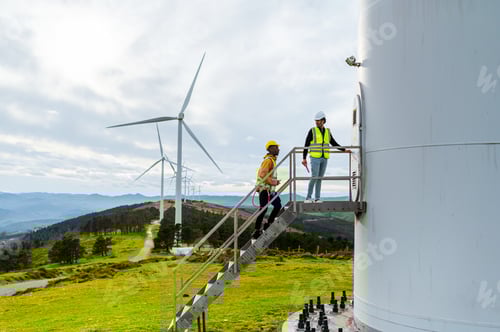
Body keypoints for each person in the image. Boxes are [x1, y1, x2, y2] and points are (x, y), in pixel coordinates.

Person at [302, 111, 350, 203]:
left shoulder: (327, 131)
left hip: (324, 158)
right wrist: (304, 158)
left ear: (323, 121)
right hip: (315, 157)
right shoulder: (312, 131)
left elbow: (333, 143)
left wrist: (344, 150)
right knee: (314, 177)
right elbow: (306, 145)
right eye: (315, 121)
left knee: (320, 178)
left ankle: (317, 198)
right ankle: (308, 197)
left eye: (318, 120)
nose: (316, 122)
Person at [253, 140, 282, 239]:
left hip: (270, 190)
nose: (278, 149)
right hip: (265, 189)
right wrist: (274, 182)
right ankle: (257, 231)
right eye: (276, 147)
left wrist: (274, 182)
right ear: (270, 149)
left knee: (277, 205)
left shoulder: (272, 160)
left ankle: (267, 224)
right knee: (263, 209)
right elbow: (262, 174)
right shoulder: (268, 160)